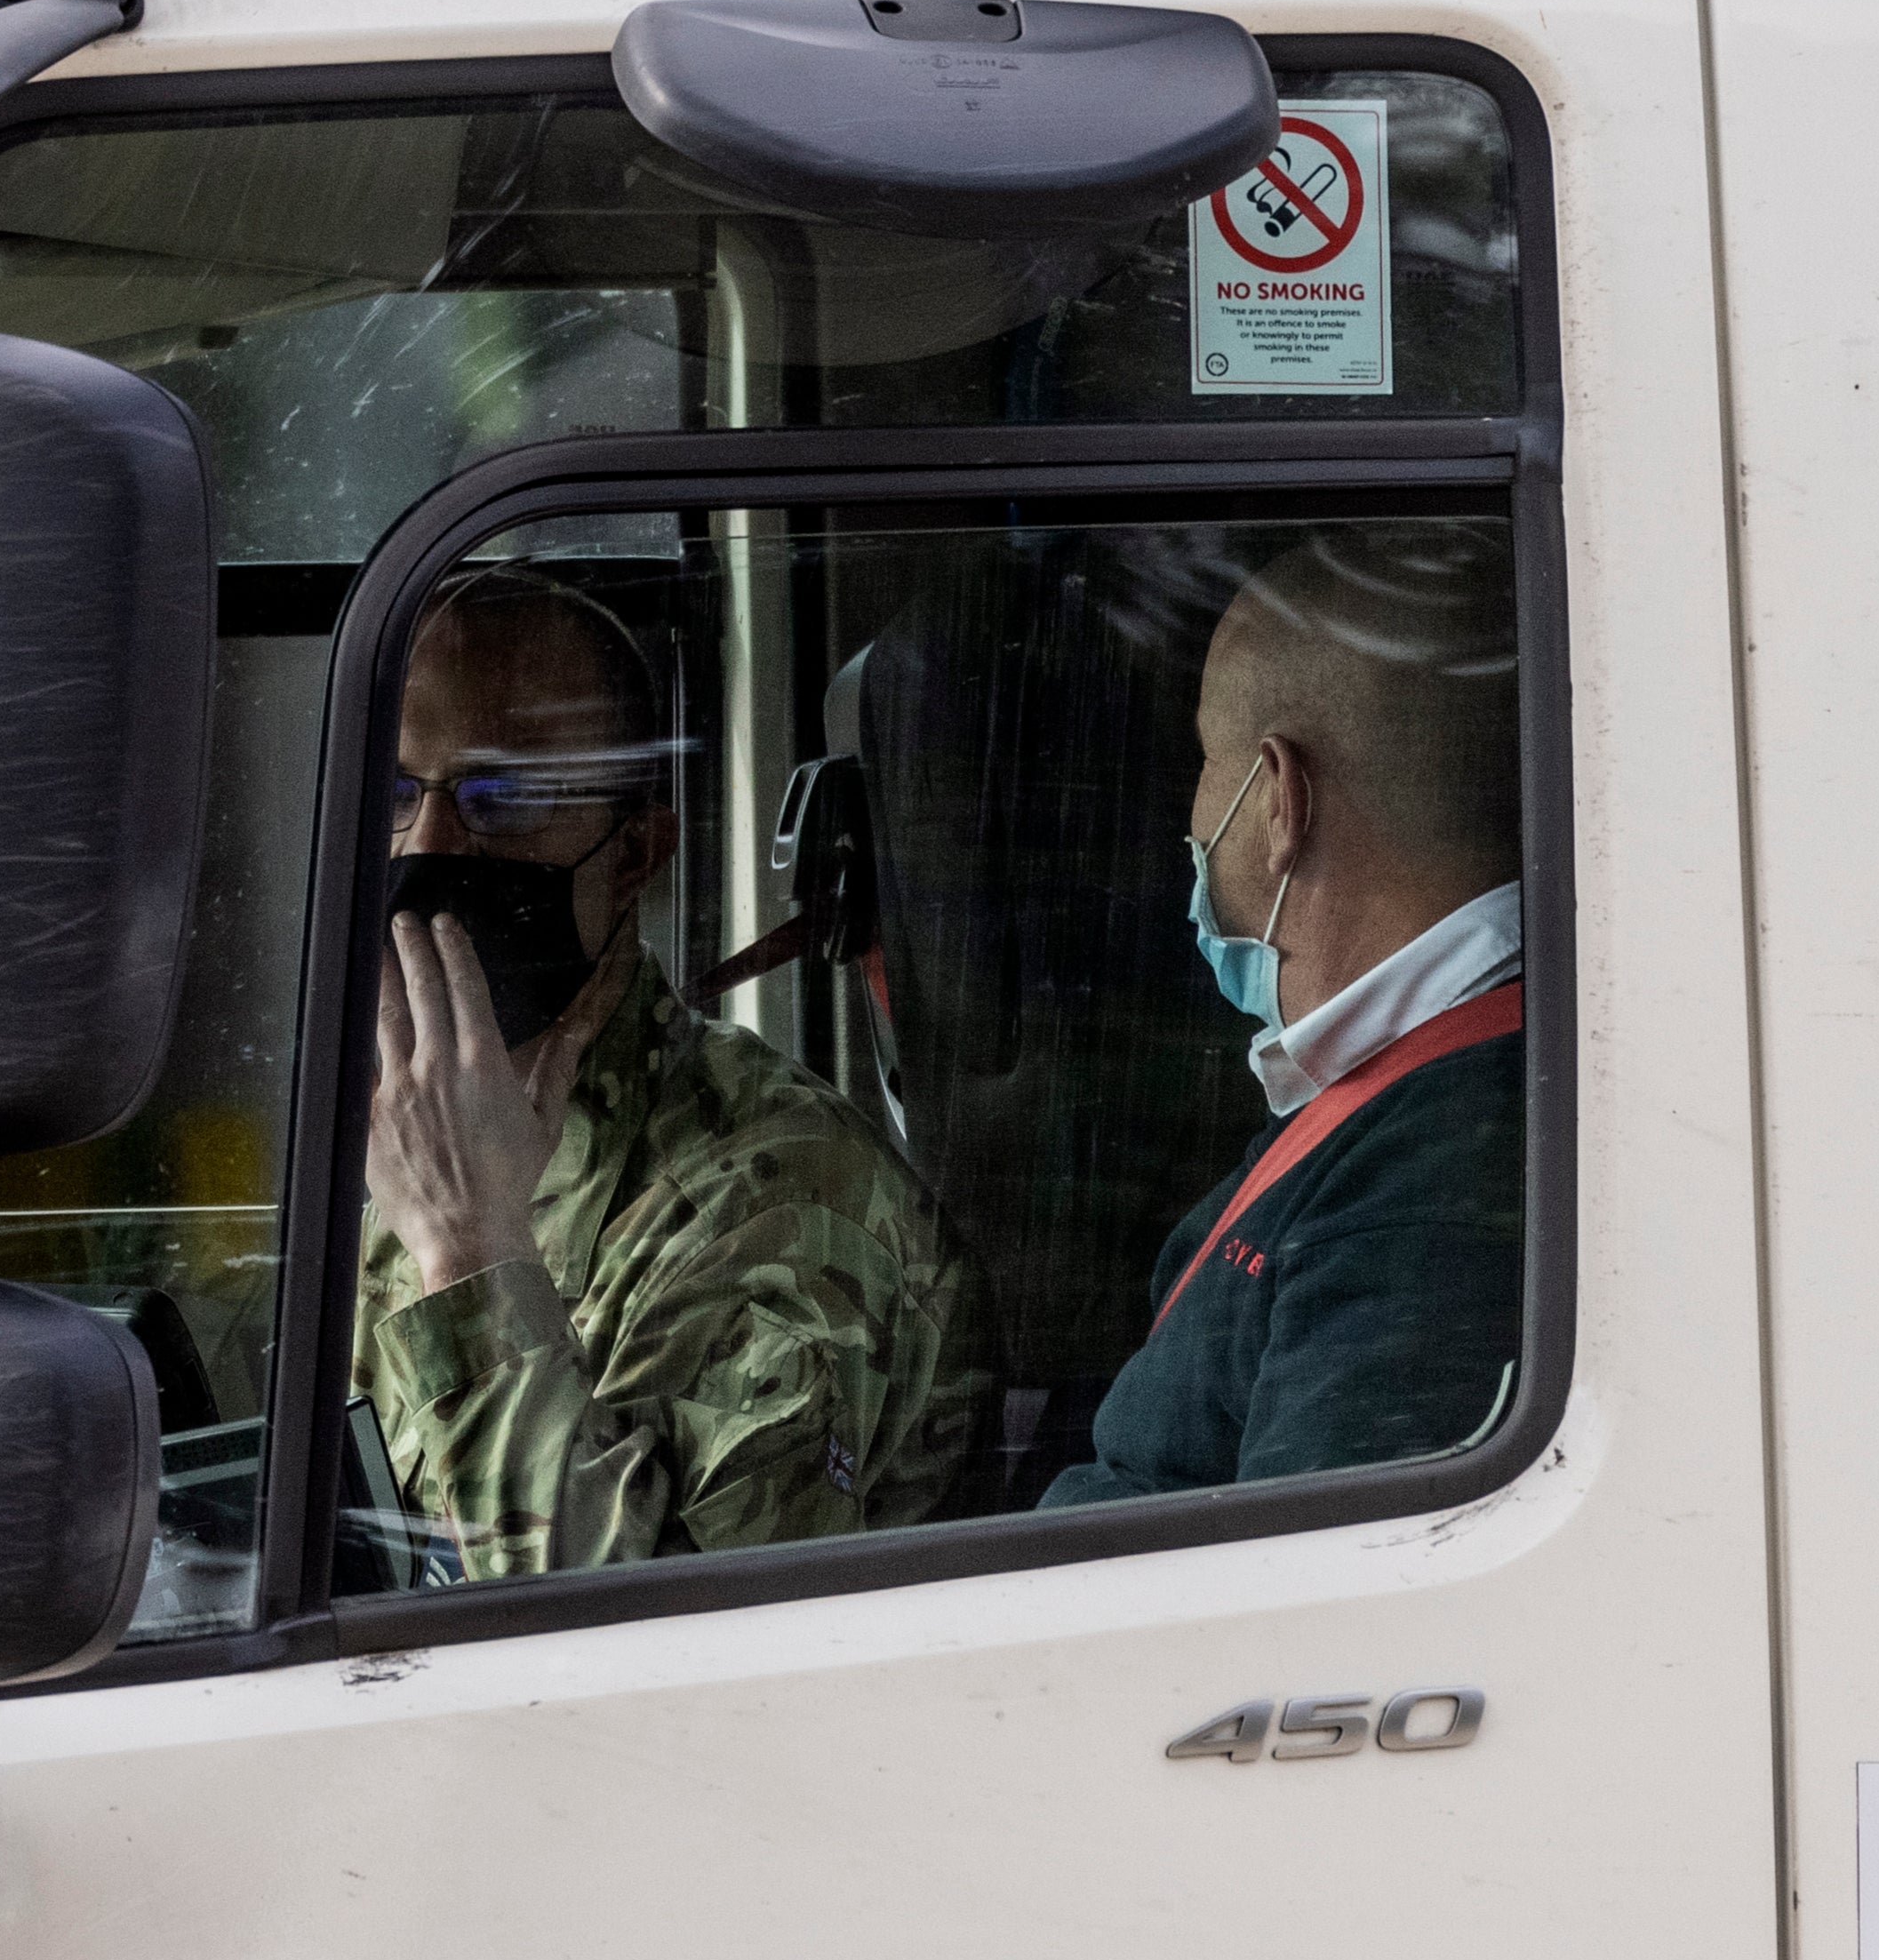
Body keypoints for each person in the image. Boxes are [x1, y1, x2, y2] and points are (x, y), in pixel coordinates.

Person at [357, 570, 987, 1579]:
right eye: (395, 795)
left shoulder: (775, 1201)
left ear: (637, 850)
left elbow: (652, 1665)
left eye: (505, 797)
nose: (430, 847)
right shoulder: (408, 1119)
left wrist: (470, 1252)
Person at [1042, 526, 1523, 1505]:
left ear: (1277, 798)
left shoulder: (1433, 1191)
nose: (1188, 821)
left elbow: (1301, 1613)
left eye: (1204, 762)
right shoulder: (1429, 1094)